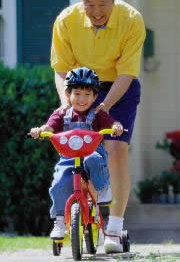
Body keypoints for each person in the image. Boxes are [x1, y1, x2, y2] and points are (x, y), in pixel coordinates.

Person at [50, 0, 146, 253]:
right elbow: (61, 69)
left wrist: (103, 107)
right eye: (89, 4)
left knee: (115, 149)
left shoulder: (131, 20)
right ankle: (83, 210)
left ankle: (114, 229)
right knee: (81, 150)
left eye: (103, 4)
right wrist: (67, 101)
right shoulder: (66, 21)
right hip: (80, 88)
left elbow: (127, 72)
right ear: (82, 1)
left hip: (119, 87)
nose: (96, 11)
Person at [30, 66, 123, 240]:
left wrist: (115, 127)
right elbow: (49, 127)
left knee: (94, 159)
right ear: (68, 94)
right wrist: (40, 131)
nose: (82, 99)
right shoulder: (61, 114)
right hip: (68, 157)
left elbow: (111, 123)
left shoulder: (98, 114)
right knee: (58, 183)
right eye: (77, 93)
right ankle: (59, 221)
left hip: (92, 153)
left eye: (88, 95)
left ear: (95, 97)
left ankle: (103, 189)